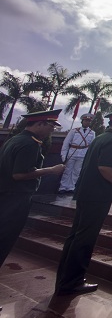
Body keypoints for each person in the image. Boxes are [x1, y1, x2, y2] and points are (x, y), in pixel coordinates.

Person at [54, 107, 112, 296]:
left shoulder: (99, 138)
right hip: (98, 195)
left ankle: (64, 278)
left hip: (85, 193)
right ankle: (73, 282)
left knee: (75, 235)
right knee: (85, 238)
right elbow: (105, 167)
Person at [0, 109, 65, 266]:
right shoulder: (30, 144)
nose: (52, 129)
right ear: (39, 124)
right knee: (5, 236)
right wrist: (51, 170)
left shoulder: (16, 139)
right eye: (51, 125)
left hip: (5, 193)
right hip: (16, 196)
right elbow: (19, 174)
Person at [58, 113, 95, 194]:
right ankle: (63, 187)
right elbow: (66, 143)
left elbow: (91, 146)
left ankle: (71, 187)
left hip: (83, 154)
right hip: (72, 152)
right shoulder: (74, 131)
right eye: (85, 121)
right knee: (67, 170)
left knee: (76, 171)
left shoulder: (92, 133)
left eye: (88, 121)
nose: (87, 122)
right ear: (82, 121)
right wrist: (63, 155)